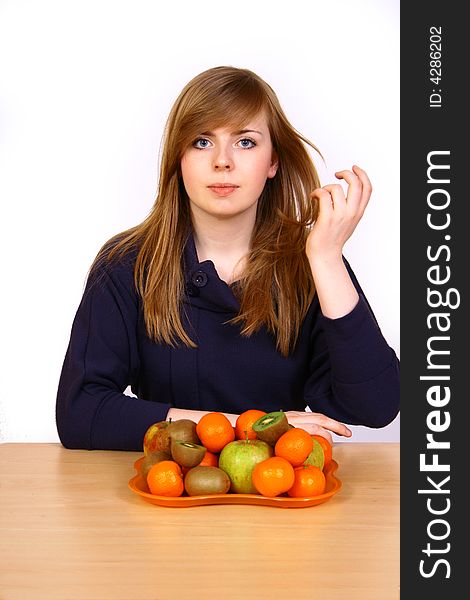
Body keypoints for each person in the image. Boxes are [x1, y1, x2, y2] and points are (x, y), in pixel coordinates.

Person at [56, 65, 399, 451]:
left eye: (246, 142)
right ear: (179, 159)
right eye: (202, 142)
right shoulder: (125, 264)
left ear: (273, 163)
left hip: (281, 498)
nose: (222, 161)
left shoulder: (310, 265)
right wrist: (249, 428)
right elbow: (80, 412)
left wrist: (327, 257)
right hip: (165, 497)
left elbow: (376, 406)